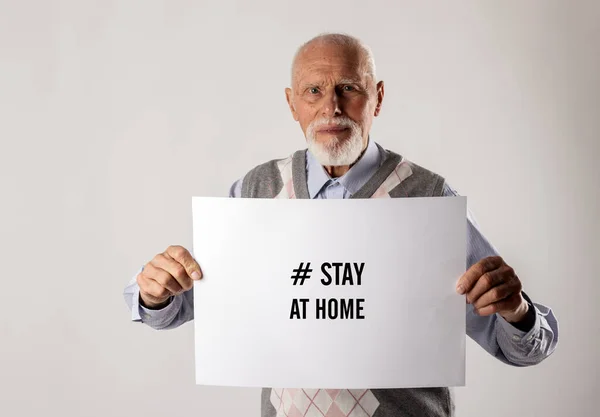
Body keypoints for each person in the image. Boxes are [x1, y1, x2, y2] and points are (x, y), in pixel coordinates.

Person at [123, 33, 559, 417]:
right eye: (314, 90)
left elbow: (520, 348)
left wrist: (516, 312)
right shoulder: (254, 191)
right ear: (292, 104)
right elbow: (184, 306)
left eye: (349, 88)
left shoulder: (430, 198)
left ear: (379, 97)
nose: (331, 106)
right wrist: (154, 293)